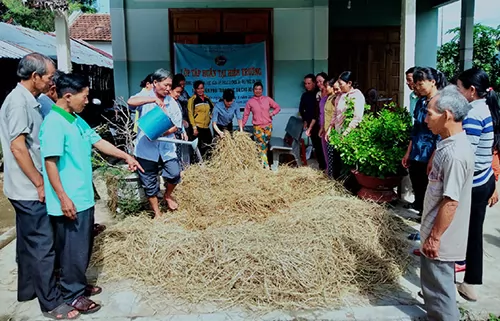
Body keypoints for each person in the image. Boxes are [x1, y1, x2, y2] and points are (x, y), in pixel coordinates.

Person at [40, 72, 143, 315]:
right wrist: (63, 197)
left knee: (81, 246)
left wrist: (126, 155)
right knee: (72, 249)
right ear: (68, 96)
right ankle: (72, 294)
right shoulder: (54, 123)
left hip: (83, 195)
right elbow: (50, 164)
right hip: (69, 199)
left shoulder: (75, 119)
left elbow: (97, 141)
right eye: (84, 97)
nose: (87, 101)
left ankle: (76, 284)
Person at [0, 53, 80, 320]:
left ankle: (28, 290)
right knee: (43, 245)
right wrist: (39, 182)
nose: (51, 81)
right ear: (34, 77)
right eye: (49, 77)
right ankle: (52, 303)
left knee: (26, 244)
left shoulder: (33, 101)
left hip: (22, 188)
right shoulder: (18, 104)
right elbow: (18, 147)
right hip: (28, 189)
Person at [420, 85, 474, 321]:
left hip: (441, 238)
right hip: (434, 230)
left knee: (442, 295)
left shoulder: (455, 154)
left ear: (447, 115)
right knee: (433, 288)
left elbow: (451, 202)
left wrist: (435, 237)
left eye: (430, 113)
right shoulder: (448, 145)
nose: (425, 119)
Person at [455, 68, 499, 302]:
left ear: (472, 91)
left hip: (473, 182)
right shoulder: (485, 108)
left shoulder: (473, 113)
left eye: (460, 89)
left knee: (470, 234)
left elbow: (466, 154)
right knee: (471, 232)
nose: (458, 93)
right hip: (483, 178)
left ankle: (470, 282)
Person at [127, 68, 183, 218]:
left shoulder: (172, 102)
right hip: (145, 148)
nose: (168, 88)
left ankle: (167, 195)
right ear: (155, 83)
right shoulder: (145, 96)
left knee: (174, 174)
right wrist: (152, 99)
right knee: (149, 181)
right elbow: (130, 102)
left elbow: (176, 125)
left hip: (166, 147)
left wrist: (162, 131)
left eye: (170, 85)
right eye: (165, 85)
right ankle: (157, 213)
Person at [402, 67, 447, 217]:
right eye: (416, 84)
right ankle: (422, 216)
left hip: (432, 152)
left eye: (421, 84)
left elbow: (441, 134)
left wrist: (433, 158)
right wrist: (408, 152)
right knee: (418, 186)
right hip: (417, 151)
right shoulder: (421, 102)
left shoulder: (441, 102)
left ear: (432, 82)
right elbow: (416, 129)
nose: (417, 87)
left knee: (431, 190)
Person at [327, 71, 365, 179]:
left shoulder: (357, 96)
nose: (338, 86)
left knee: (347, 167)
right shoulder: (340, 96)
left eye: (341, 84)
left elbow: (357, 118)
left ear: (349, 83)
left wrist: (346, 133)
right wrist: (330, 128)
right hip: (338, 135)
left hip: (349, 136)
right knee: (336, 165)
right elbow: (335, 113)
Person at [242, 81, 281, 168]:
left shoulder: (267, 99)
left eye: (259, 89)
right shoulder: (250, 102)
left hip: (268, 126)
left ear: (262, 90)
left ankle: (263, 162)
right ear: (253, 90)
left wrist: (272, 113)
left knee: (265, 144)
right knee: (261, 145)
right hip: (257, 127)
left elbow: (277, 107)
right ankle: (265, 165)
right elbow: (246, 114)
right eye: (256, 89)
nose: (258, 91)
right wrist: (242, 126)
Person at [299, 74, 325, 170]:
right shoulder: (305, 95)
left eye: (309, 83)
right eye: (305, 83)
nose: (307, 85)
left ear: (314, 83)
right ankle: (321, 166)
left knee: (323, 147)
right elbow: (301, 109)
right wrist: (305, 120)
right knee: (317, 147)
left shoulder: (319, 94)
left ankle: (325, 167)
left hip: (320, 123)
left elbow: (317, 112)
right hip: (311, 124)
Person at [187, 80, 214, 159]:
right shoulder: (192, 100)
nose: (200, 90)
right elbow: (190, 114)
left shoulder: (206, 98)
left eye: (202, 88)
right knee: (197, 149)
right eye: (198, 89)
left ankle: (208, 164)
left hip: (206, 127)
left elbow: (213, 108)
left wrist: (211, 115)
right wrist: (194, 127)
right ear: (195, 90)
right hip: (197, 127)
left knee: (209, 146)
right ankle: (198, 165)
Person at [323, 79, 342, 178]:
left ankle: (333, 177)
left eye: (327, 86)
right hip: (328, 130)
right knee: (329, 156)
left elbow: (336, 116)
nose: (325, 88)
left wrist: (331, 128)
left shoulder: (336, 99)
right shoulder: (330, 98)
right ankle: (330, 175)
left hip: (334, 131)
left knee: (333, 157)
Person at [169, 81, 190, 167]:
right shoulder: (167, 102)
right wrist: (171, 133)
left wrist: (183, 131)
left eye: (180, 93)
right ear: (170, 90)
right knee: (172, 156)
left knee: (178, 154)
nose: (178, 94)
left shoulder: (176, 102)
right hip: (170, 133)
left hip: (178, 132)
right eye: (177, 92)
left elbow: (179, 119)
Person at [316, 72, 329, 171]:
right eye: (317, 82)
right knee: (323, 149)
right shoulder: (319, 94)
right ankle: (326, 169)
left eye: (320, 81)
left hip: (329, 124)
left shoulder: (331, 94)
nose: (319, 84)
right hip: (322, 124)